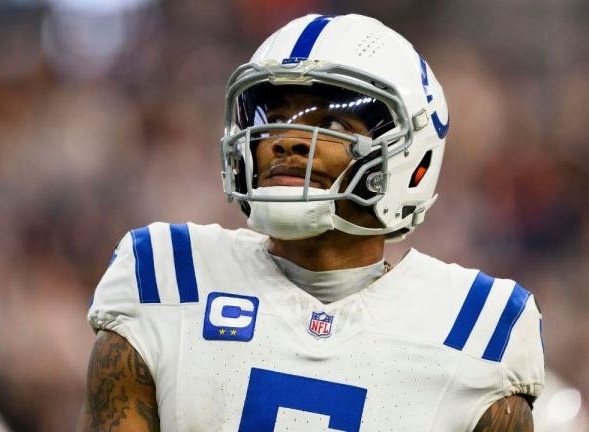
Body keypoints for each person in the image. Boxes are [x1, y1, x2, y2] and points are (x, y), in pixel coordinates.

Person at [77, 13, 544, 431]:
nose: (288, 139)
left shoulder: (478, 330)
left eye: (335, 125)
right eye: (275, 117)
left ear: (411, 160)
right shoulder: (165, 278)